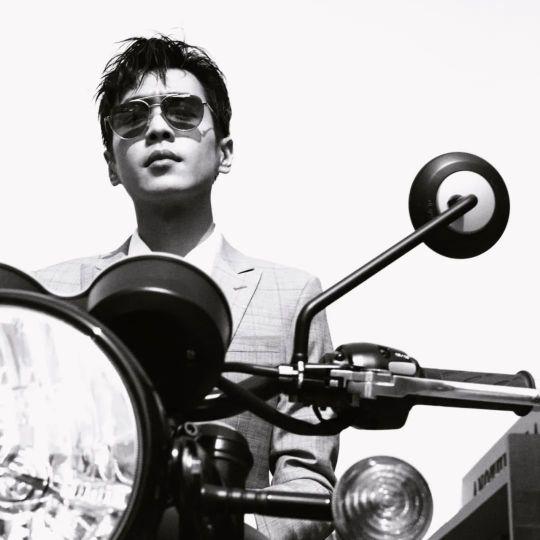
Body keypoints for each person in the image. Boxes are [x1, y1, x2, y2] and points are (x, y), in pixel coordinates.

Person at [34, 35, 338, 539]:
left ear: (225, 152)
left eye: (182, 111)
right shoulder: (52, 295)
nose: (157, 128)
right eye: (132, 117)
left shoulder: (293, 297)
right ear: (111, 164)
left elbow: (307, 478)